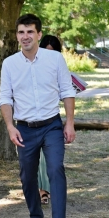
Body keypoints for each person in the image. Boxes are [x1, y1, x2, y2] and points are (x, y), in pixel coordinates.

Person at [0, 14, 76, 218]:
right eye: (21, 32)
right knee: (27, 175)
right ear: (17, 35)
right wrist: (10, 127)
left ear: (39, 35)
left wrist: (69, 123)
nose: (25, 36)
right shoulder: (10, 64)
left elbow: (67, 91)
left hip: (51, 125)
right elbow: (5, 98)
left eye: (30, 32)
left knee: (55, 169)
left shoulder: (55, 59)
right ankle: (36, 217)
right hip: (25, 129)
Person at [36, 35, 63, 204]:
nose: (49, 55)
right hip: (30, 119)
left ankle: (45, 189)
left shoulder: (58, 66)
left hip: (51, 119)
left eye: (52, 52)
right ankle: (40, 189)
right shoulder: (31, 65)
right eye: (46, 51)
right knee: (36, 159)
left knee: (48, 159)